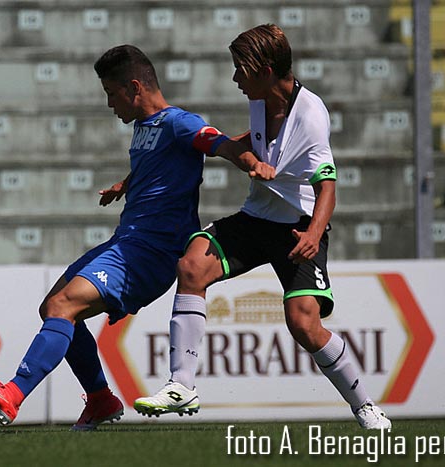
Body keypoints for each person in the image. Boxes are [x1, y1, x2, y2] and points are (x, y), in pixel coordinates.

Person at [0, 44, 274, 430]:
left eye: (112, 94)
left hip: (151, 252)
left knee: (63, 306)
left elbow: (220, 143)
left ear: (134, 87)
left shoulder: (180, 122)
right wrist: (126, 185)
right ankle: (99, 400)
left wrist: (252, 164)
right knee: (53, 308)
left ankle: (12, 395)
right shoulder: (146, 128)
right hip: (127, 241)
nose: (110, 104)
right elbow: (158, 164)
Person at [134, 24, 392, 430]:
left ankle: (364, 406)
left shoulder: (310, 116)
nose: (235, 78)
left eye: (241, 69)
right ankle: (181, 385)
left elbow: (327, 187)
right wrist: (228, 151)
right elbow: (253, 142)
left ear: (266, 70)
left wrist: (312, 235)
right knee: (192, 266)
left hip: (297, 228)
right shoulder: (262, 99)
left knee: (304, 324)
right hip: (256, 218)